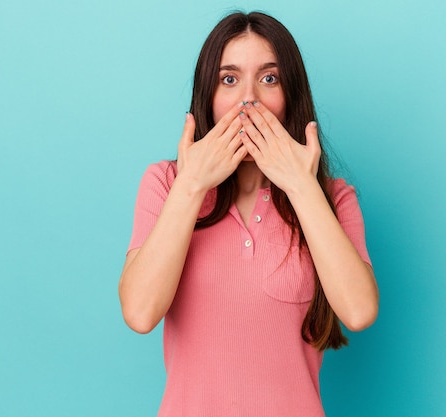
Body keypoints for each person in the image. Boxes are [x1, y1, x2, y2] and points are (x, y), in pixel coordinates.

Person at [119, 11, 379, 416]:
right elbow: (139, 312)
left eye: (269, 78)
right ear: (207, 95)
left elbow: (359, 311)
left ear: (291, 94)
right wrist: (192, 185)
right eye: (229, 79)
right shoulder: (166, 184)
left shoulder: (332, 198)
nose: (248, 99)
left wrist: (300, 186)